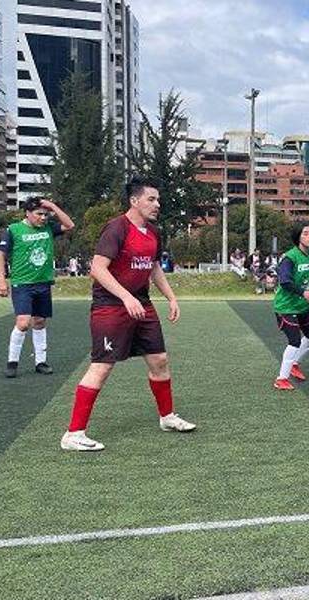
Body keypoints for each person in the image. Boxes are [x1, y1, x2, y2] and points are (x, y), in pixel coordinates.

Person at [61, 178, 196, 452]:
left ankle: (167, 417)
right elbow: (98, 269)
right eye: (151, 199)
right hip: (110, 305)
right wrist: (125, 296)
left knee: (159, 359)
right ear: (134, 201)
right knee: (102, 366)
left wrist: (171, 297)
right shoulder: (116, 228)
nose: (157, 204)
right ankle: (73, 434)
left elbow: (154, 267)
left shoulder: (153, 232)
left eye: (158, 199)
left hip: (141, 304)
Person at [0, 197, 75, 378]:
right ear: (27, 213)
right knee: (23, 323)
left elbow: (70, 225)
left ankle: (41, 362)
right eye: (39, 214)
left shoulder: (49, 228)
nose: (43, 218)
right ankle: (12, 362)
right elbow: (0, 255)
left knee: (39, 322)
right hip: (22, 283)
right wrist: (1, 280)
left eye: (46, 214)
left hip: (43, 283)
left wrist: (53, 206)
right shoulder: (13, 230)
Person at [273, 224, 309, 391]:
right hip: (286, 307)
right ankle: (281, 379)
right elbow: (284, 281)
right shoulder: (289, 257)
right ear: (298, 237)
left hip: (302, 307)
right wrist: (302, 292)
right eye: (306, 234)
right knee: (295, 341)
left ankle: (295, 364)